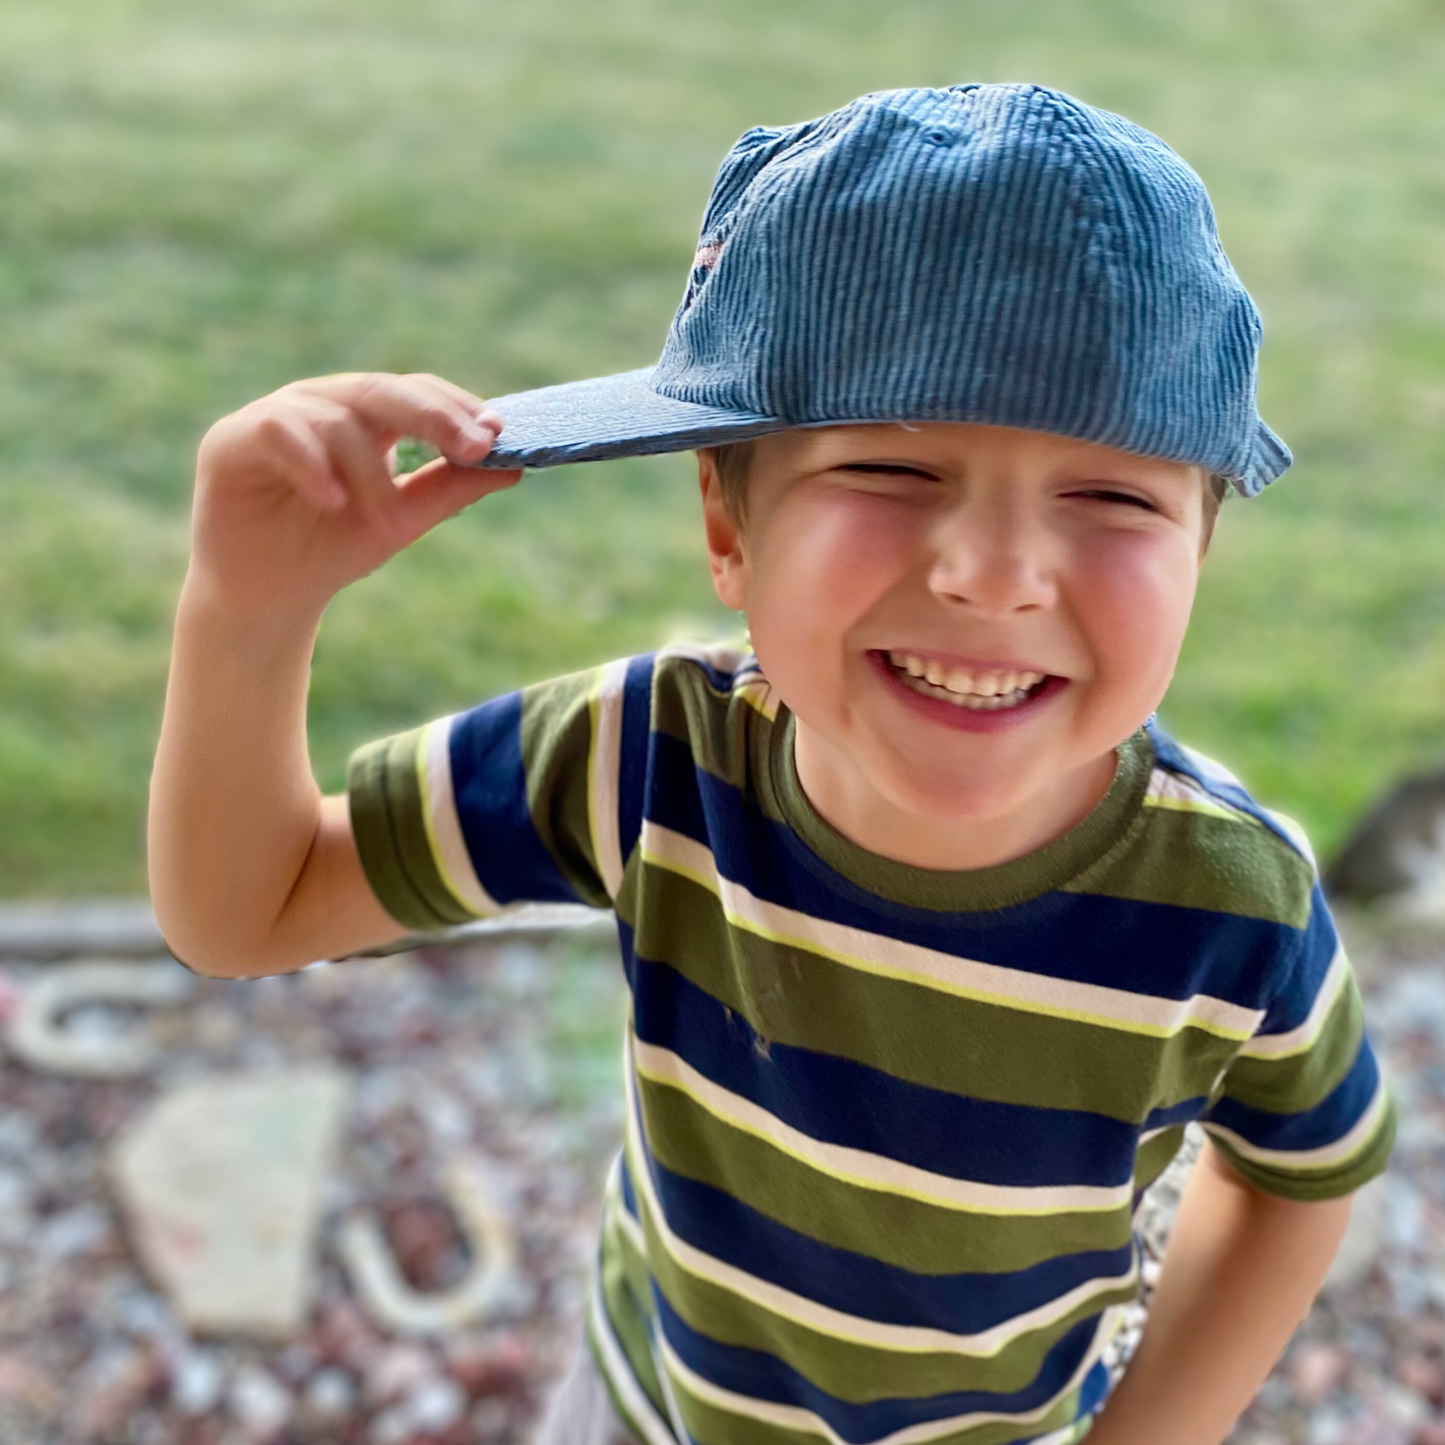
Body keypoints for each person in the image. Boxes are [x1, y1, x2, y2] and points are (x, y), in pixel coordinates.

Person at [150, 84, 1395, 1445]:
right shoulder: (642, 762)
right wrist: (247, 615)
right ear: (727, 527)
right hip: (645, 1412)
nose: (991, 575)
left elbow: (1302, 1171)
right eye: (892, 470)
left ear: (1200, 550)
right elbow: (246, 909)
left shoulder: (1231, 907)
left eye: (1112, 495)